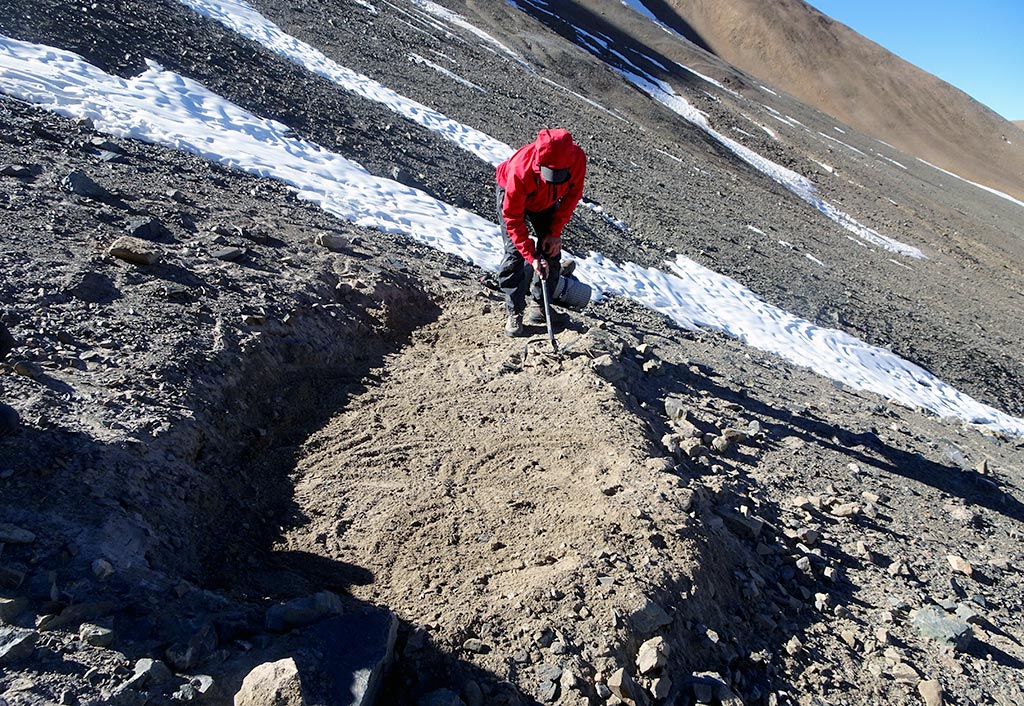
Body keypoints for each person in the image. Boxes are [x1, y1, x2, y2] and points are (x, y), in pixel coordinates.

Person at [495, 128, 586, 337]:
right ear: (539, 162)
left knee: (551, 250)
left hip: (547, 201)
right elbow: (513, 218)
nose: (552, 178)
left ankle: (540, 306)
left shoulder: (577, 158)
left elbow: (573, 195)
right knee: (515, 254)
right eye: (549, 173)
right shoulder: (520, 169)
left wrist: (554, 233)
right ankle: (514, 311)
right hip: (514, 197)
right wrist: (532, 257)